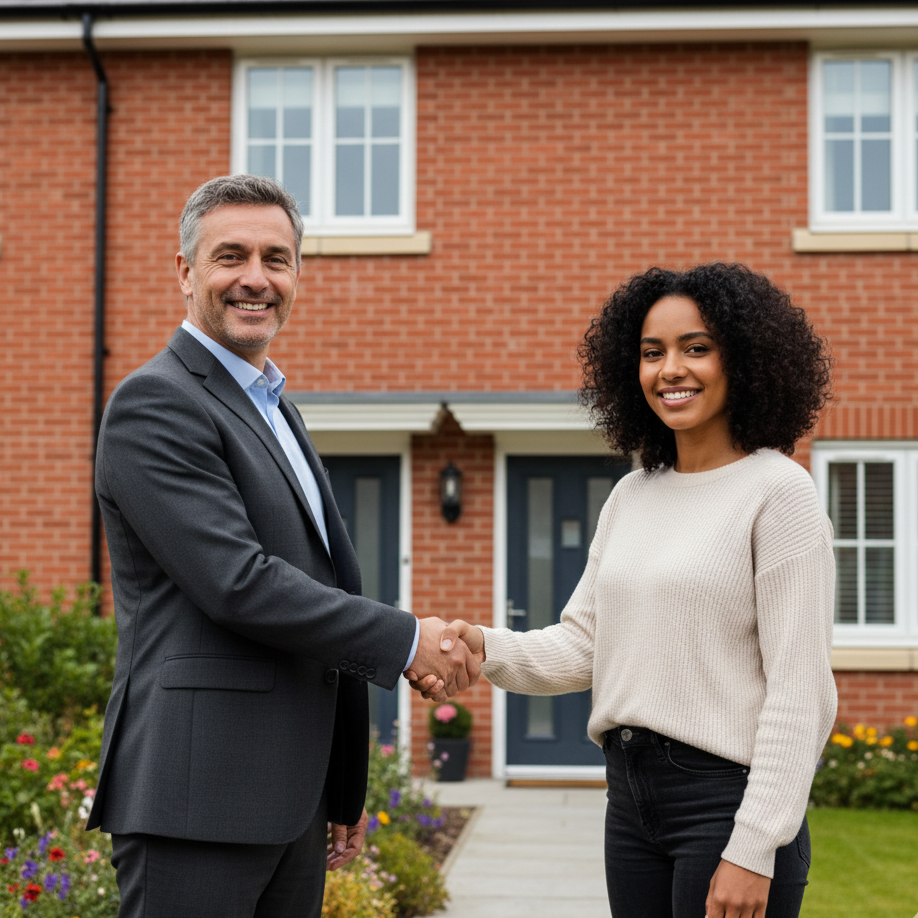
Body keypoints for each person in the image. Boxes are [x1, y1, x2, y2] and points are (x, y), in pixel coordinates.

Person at [87, 174, 480, 918]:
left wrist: (340, 785)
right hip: (195, 799)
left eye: (277, 258)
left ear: (298, 275)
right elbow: (240, 583)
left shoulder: (274, 409)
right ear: (184, 272)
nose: (255, 279)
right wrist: (407, 640)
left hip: (289, 802)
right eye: (230, 255)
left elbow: (320, 583)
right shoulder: (157, 402)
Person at [412, 263, 837, 918]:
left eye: (696, 348)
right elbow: (585, 646)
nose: (671, 369)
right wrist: (483, 646)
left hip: (725, 803)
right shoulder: (631, 496)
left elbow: (799, 688)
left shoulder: (778, 492)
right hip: (630, 800)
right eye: (651, 352)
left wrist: (755, 846)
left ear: (743, 359)